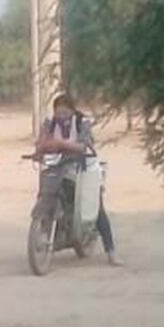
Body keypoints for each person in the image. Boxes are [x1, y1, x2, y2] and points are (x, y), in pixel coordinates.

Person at [35, 94, 123, 266]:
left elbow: (83, 146)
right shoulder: (49, 123)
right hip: (60, 166)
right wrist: (41, 150)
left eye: (64, 113)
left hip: (85, 167)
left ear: (72, 110)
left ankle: (111, 252)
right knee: (48, 193)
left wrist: (59, 144)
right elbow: (41, 143)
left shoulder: (82, 123)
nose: (61, 117)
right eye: (58, 113)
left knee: (95, 208)